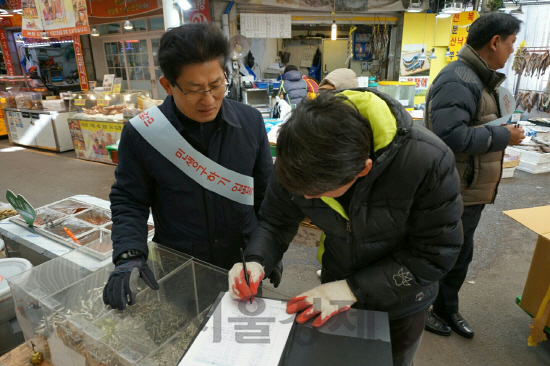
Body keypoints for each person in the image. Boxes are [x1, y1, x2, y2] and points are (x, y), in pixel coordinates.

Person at [228, 90, 463, 366]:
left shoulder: (428, 162)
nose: (305, 200)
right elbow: (275, 221)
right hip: (334, 283)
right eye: (298, 190)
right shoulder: (297, 154)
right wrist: (256, 261)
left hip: (402, 301)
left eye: (316, 194)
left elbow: (435, 255)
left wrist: (351, 290)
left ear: (363, 170)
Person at [103, 23, 274, 311]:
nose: (209, 100)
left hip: (244, 264)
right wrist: (129, 254)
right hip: (181, 267)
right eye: (194, 90)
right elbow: (129, 200)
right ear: (168, 86)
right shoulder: (142, 134)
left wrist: (268, 253)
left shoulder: (250, 122)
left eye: (217, 85)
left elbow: (268, 196)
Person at [423, 13, 525, 339]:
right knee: (440, 255)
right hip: (454, 189)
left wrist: (504, 130)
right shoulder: (459, 80)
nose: (512, 51)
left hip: (471, 189)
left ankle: (446, 308)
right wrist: (504, 137)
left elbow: (477, 126)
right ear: (494, 41)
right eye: (510, 43)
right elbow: (449, 136)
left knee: (460, 256)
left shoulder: (482, 79)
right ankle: (424, 309)